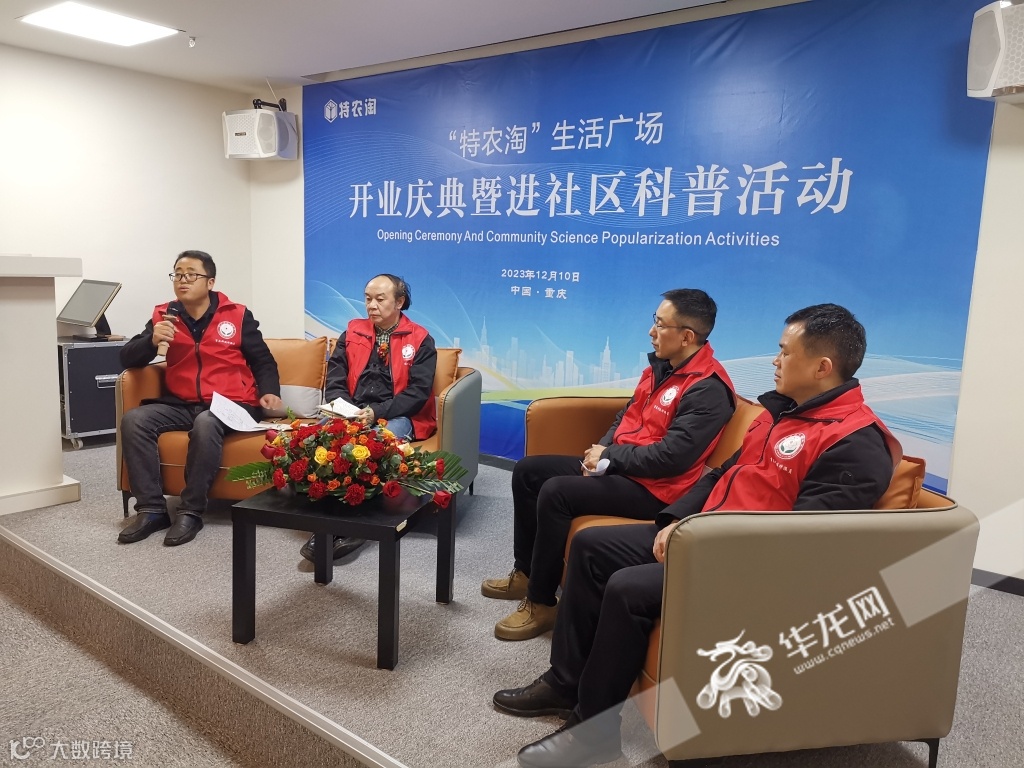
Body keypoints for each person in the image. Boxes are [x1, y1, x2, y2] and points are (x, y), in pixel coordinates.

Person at [493, 303, 901, 768]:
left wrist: (699, 539)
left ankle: (594, 733)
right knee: (591, 547)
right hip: (708, 535)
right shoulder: (781, 412)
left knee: (627, 588)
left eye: (785, 352)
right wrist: (676, 521)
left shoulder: (855, 444)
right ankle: (565, 683)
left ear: (822, 367)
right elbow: (722, 474)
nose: (774, 360)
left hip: (750, 565)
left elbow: (800, 544)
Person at [482, 289, 736, 641]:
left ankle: (541, 602)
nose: (651, 332)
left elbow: (672, 457)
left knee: (557, 492)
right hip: (623, 468)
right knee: (528, 472)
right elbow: (626, 416)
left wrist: (610, 458)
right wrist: (602, 449)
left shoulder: (708, 389)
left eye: (661, 325)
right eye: (654, 321)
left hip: (657, 490)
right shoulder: (661, 368)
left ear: (687, 336)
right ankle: (526, 572)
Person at [118, 250, 283, 547]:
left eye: (191, 274)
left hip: (234, 403)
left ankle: (191, 511)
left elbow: (263, 361)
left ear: (210, 282)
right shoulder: (164, 315)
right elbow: (127, 358)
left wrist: (270, 391)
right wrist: (151, 341)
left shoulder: (237, 315)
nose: (183, 280)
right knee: (135, 420)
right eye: (178, 274)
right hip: (182, 403)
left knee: (206, 422)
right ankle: (151, 509)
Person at [299, 274, 438, 562]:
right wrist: (347, 411)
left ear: (399, 302)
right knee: (318, 439)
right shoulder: (352, 332)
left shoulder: (421, 339)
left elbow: (418, 392)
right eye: (367, 298)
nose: (371, 305)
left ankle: (355, 525)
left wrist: (377, 412)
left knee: (374, 445)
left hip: (399, 414)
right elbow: (335, 378)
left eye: (380, 299)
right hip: (353, 411)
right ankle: (325, 523)